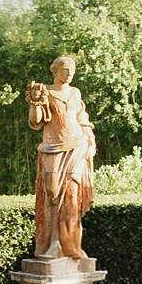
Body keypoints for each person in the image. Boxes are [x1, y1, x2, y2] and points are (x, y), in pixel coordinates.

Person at [26, 55, 96, 261]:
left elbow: (82, 119)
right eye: (65, 69)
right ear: (55, 71)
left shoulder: (75, 93)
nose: (69, 73)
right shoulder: (47, 92)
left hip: (77, 146)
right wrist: (35, 101)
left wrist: (91, 141)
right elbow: (36, 122)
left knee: (72, 196)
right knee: (52, 194)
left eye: (72, 70)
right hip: (52, 147)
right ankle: (52, 243)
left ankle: (70, 245)